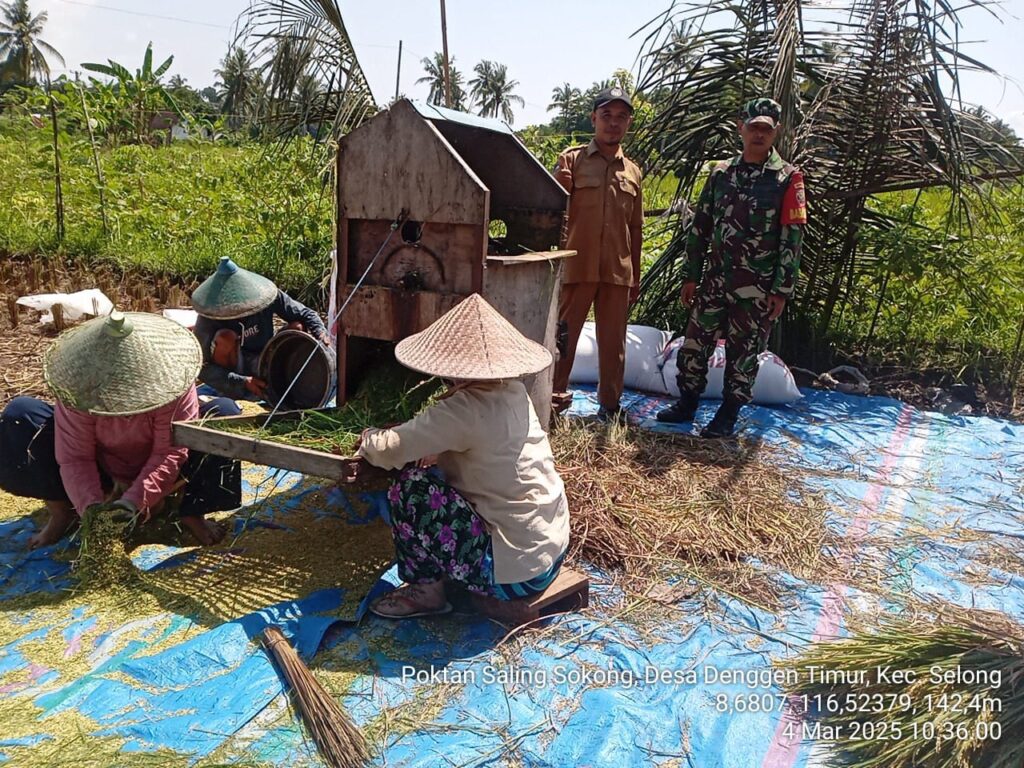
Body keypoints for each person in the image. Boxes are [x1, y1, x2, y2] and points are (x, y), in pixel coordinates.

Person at [347, 294, 570, 619]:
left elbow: (390, 450)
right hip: (550, 553)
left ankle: (426, 592)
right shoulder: (513, 393)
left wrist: (369, 437)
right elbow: (483, 446)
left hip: (514, 577)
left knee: (410, 487)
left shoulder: (462, 409)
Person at [0, 311, 241, 548]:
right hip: (104, 465)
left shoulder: (174, 385)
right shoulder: (78, 388)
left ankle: (192, 512)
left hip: (171, 469)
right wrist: (92, 510)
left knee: (224, 414)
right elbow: (75, 457)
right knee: (21, 415)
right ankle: (64, 512)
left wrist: (134, 501)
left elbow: (169, 453)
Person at [657, 97, 807, 437]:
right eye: (753, 127)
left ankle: (727, 415)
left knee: (744, 353)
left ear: (775, 132)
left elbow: (792, 238)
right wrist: (691, 275)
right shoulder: (721, 173)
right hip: (714, 280)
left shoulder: (788, 179)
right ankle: (687, 403)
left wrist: (782, 290)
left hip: (756, 288)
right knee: (695, 343)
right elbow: (700, 226)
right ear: (742, 129)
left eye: (765, 130)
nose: (758, 135)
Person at [551, 86, 644, 421]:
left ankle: (610, 406)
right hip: (577, 266)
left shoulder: (633, 171)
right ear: (594, 119)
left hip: (617, 271)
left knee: (613, 344)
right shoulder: (571, 160)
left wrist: (635, 273)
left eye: (621, 117)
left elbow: (636, 228)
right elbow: (552, 209)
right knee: (563, 337)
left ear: (628, 123)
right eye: (606, 116)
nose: (613, 124)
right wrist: (556, 184)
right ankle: (553, 401)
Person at [192, 257, 328, 404]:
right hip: (234, 367)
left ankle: (277, 380)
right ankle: (236, 393)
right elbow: (201, 365)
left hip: (265, 356)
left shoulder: (266, 295)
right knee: (226, 337)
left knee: (297, 327)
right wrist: (241, 381)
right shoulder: (209, 314)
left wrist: (320, 332)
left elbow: (306, 314)